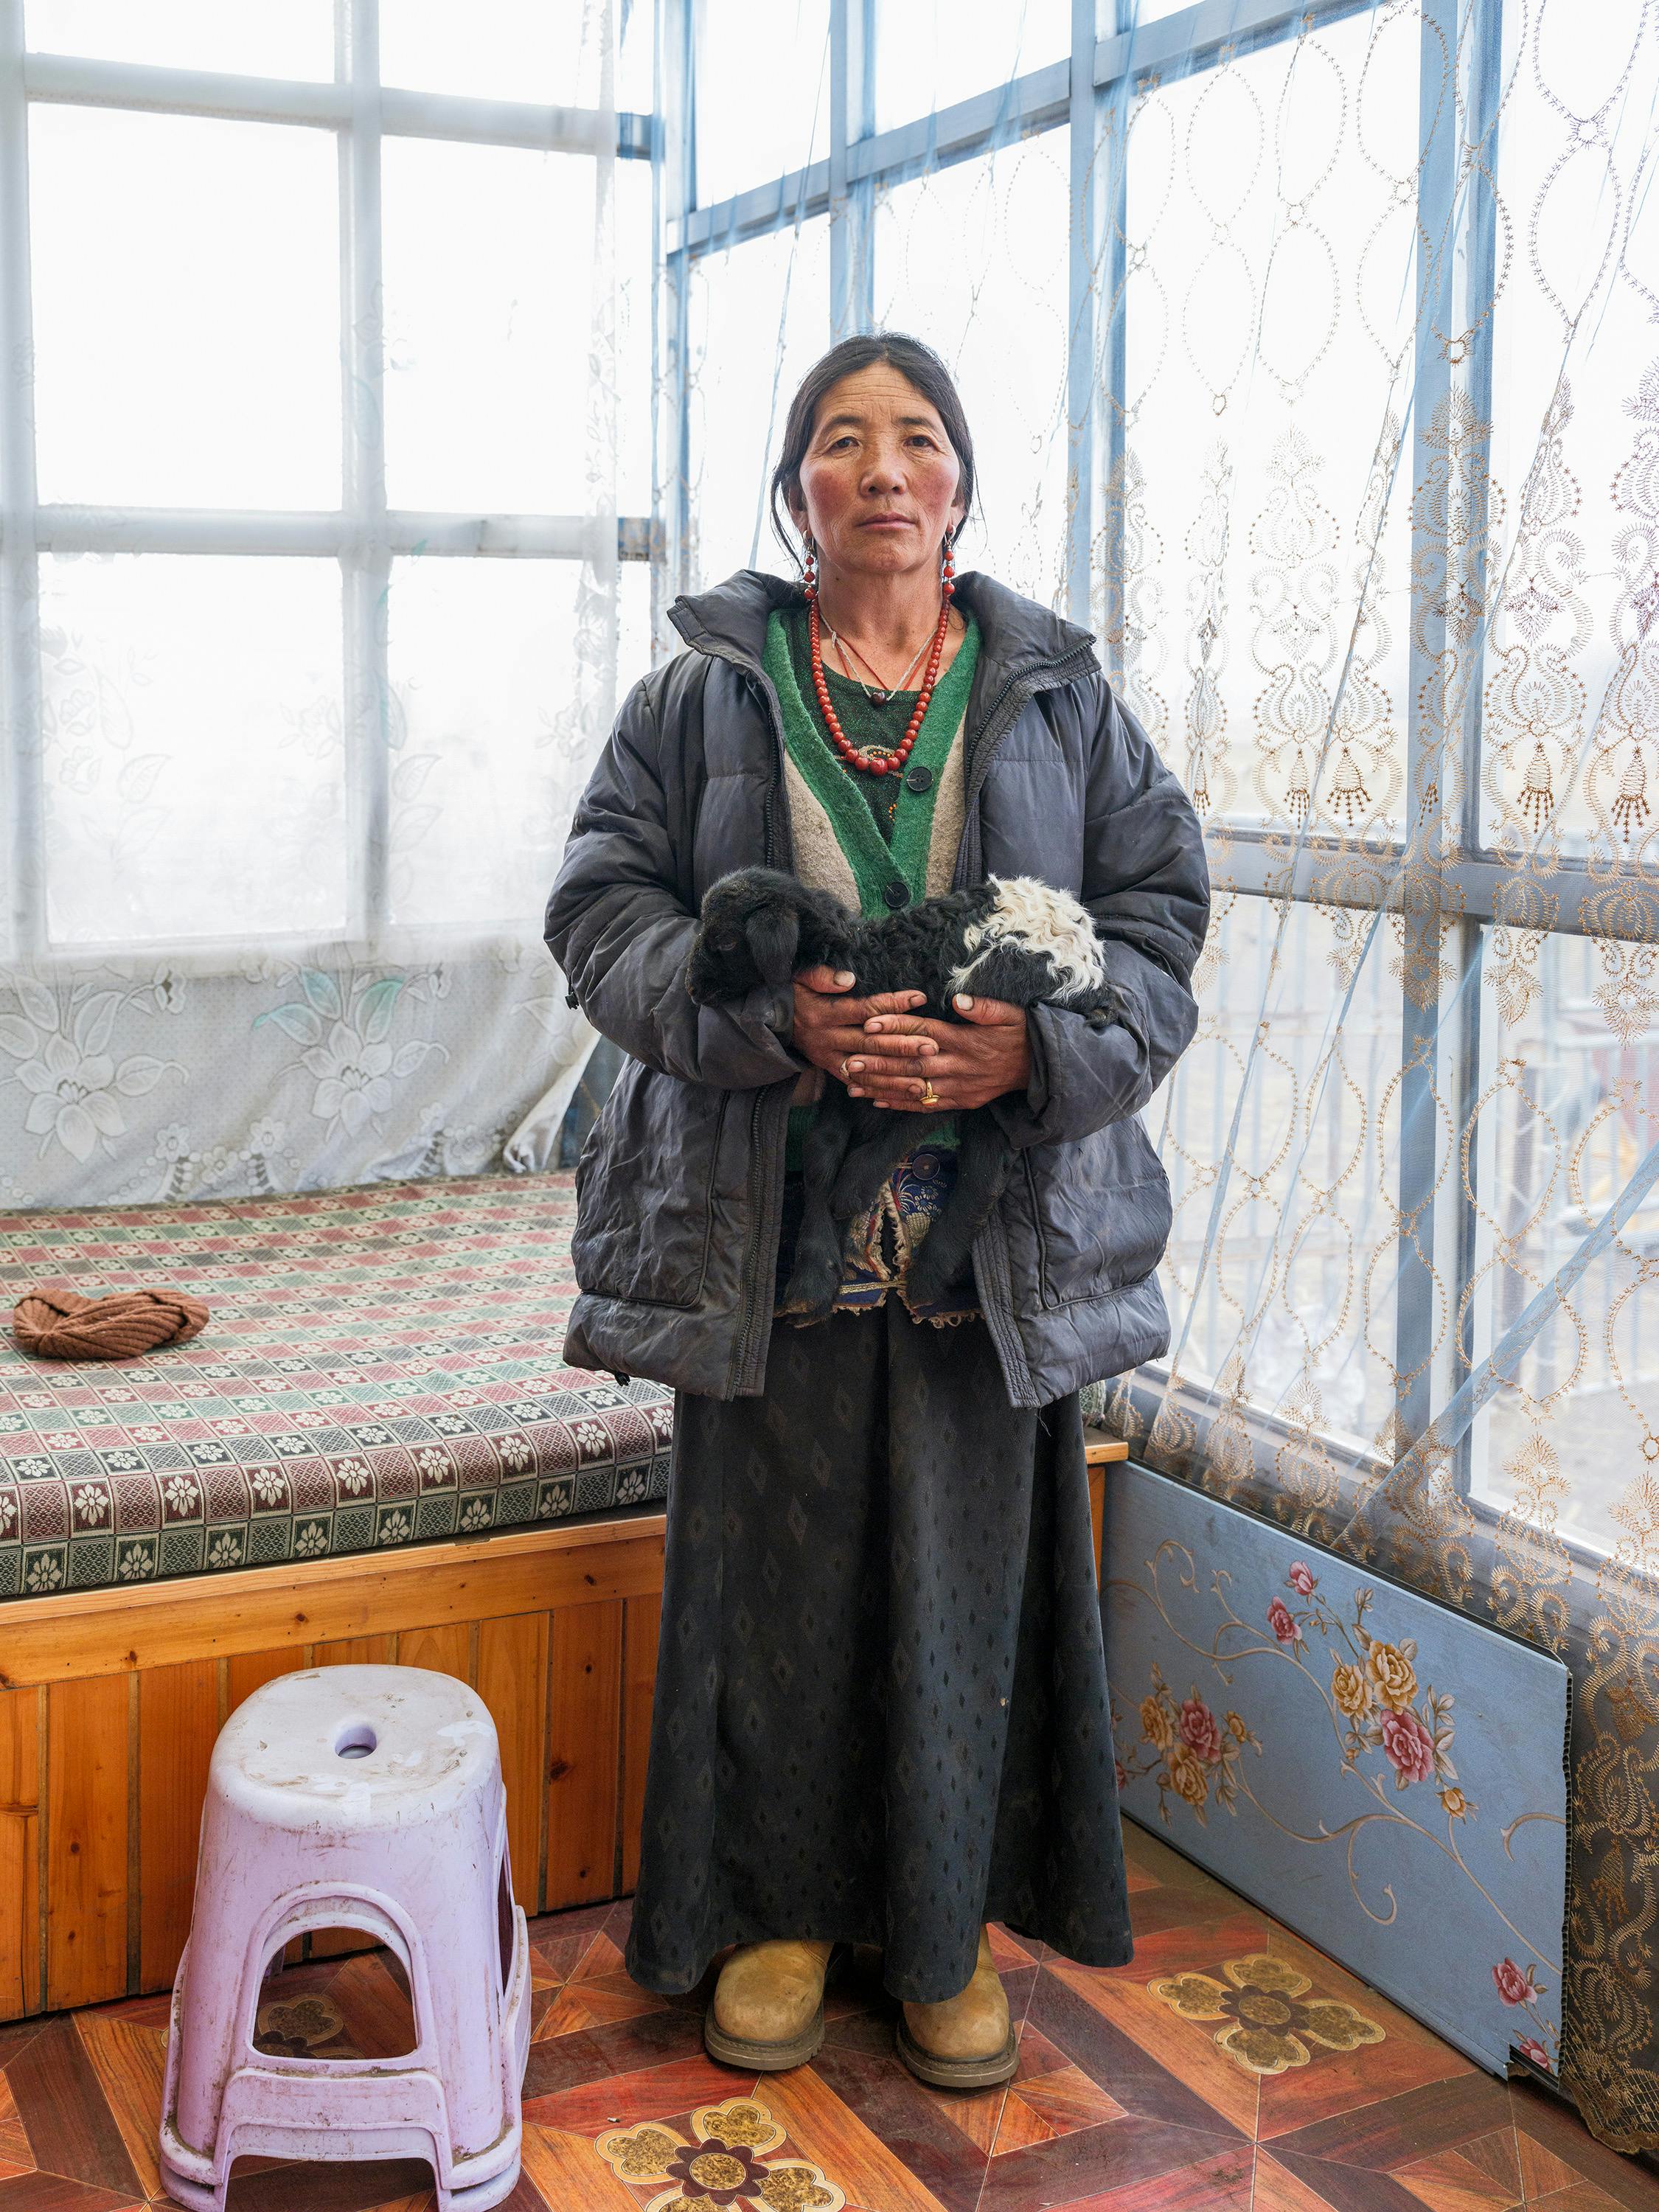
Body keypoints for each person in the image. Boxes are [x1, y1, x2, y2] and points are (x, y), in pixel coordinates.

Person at [544, 332, 1208, 2090]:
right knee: (773, 1593)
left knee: (967, 1600)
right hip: (767, 1230)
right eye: (844, 443)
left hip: (996, 1246)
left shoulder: (1060, 697)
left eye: (918, 440)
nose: (885, 470)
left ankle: (937, 1948)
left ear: (962, 488)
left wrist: (1036, 1060)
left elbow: (1158, 920)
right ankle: (767, 1920)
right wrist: (762, 1021)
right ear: (798, 494)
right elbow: (599, 908)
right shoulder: (701, 696)